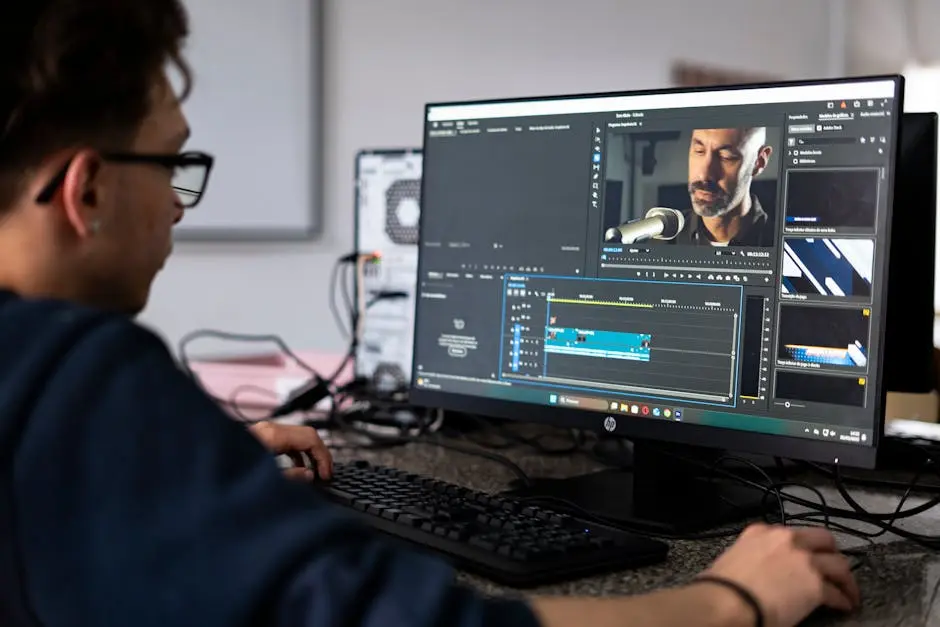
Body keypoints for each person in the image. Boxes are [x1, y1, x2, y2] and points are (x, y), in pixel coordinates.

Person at [0, 2, 859, 627]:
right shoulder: (81, 378)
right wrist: (731, 599)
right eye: (173, 165)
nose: (177, 204)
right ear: (87, 190)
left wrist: (171, 471)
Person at [681, 127, 775, 246]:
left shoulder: (780, 245)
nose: (704, 175)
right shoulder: (662, 239)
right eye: (699, 151)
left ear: (759, 161)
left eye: (726, 157)